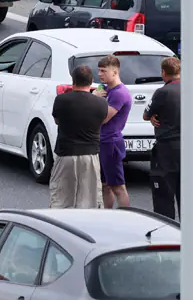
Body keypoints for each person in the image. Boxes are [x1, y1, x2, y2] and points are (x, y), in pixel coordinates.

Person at [50, 65, 109, 209]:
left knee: (61, 201)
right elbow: (101, 122)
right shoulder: (102, 103)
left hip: (66, 154)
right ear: (91, 81)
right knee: (90, 203)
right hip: (90, 156)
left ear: (73, 81)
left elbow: (57, 120)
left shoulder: (61, 100)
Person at [143, 56, 182, 219]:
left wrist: (152, 117)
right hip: (189, 146)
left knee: (163, 193)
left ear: (164, 72)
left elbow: (146, 115)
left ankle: (167, 229)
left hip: (167, 148)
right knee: (186, 191)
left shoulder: (163, 92)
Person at [96, 55, 132, 209]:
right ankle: (107, 216)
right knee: (104, 185)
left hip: (111, 143)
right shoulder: (104, 89)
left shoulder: (119, 93)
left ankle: (126, 217)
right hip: (101, 141)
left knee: (118, 186)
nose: (99, 74)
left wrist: (93, 98)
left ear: (115, 72)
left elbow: (102, 118)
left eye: (103, 71)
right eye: (99, 70)